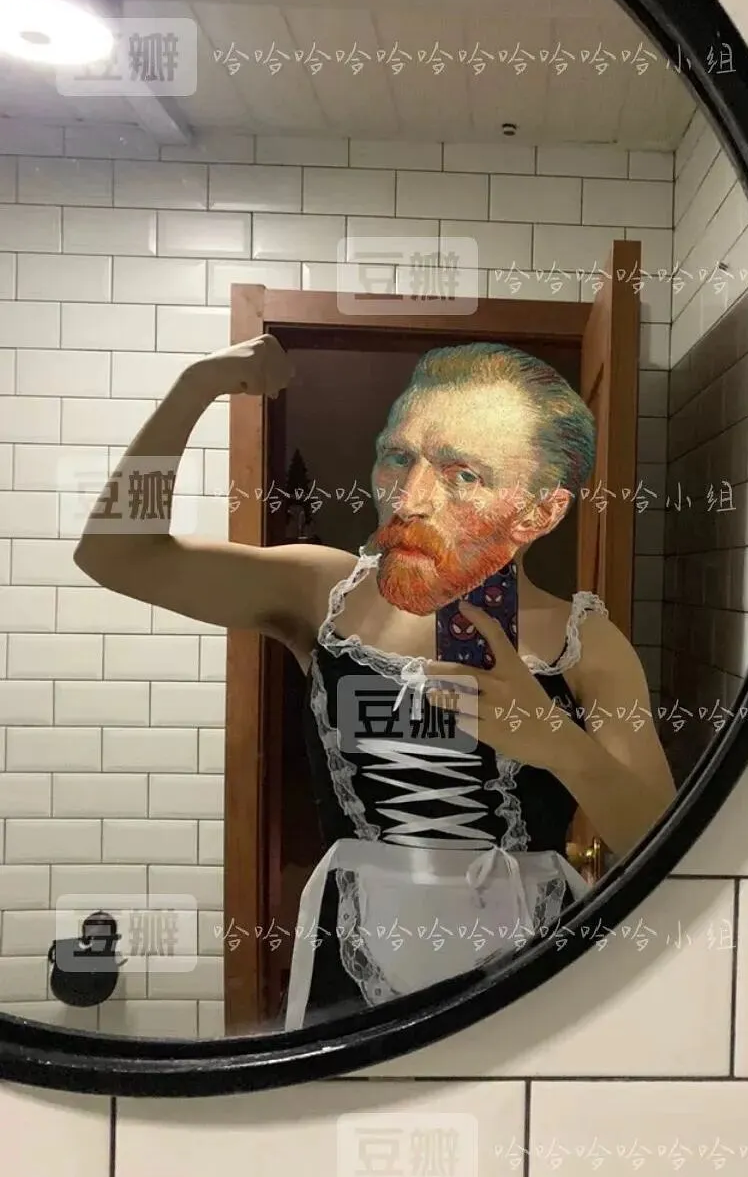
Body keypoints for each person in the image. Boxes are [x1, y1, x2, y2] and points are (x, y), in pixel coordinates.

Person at [74, 333, 677, 1027]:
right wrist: (195, 388)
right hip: (354, 944)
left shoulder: (586, 645)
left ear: (539, 512)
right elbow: (116, 554)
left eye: (462, 475)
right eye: (398, 457)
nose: (410, 498)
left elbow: (663, 844)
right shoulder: (325, 593)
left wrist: (556, 742)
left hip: (535, 954)